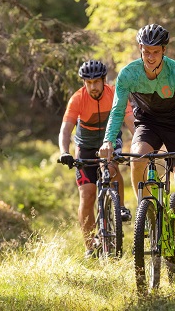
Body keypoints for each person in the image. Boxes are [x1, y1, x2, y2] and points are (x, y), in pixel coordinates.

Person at [98, 24, 175, 271]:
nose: (150, 57)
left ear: (164, 51)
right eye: (146, 51)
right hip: (148, 122)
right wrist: (107, 140)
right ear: (140, 49)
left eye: (155, 52)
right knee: (138, 158)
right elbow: (117, 111)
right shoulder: (128, 74)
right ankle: (146, 212)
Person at [57, 60, 134, 257]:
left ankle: (120, 207)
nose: (92, 87)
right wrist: (64, 151)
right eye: (88, 82)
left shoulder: (115, 94)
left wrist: (139, 144)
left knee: (111, 165)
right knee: (87, 193)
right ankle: (90, 246)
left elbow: (131, 121)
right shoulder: (77, 99)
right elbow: (66, 129)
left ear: (103, 80)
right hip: (85, 146)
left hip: (111, 140)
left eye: (96, 82)